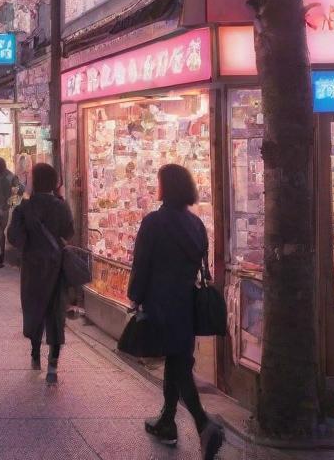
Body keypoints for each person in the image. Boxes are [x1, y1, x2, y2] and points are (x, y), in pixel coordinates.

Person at [129, 164, 225, 460]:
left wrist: (134, 296)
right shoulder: (195, 224)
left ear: (165, 187)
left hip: (160, 301)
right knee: (177, 359)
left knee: (179, 367)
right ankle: (167, 421)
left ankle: (204, 425)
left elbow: (142, 264)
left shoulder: (154, 222)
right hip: (185, 301)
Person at [6, 162, 75, 383]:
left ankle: (35, 356)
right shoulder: (61, 206)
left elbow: (14, 238)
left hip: (33, 267)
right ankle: (53, 367)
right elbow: (69, 232)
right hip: (56, 267)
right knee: (55, 313)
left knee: (34, 310)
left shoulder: (24, 207)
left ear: (33, 182)